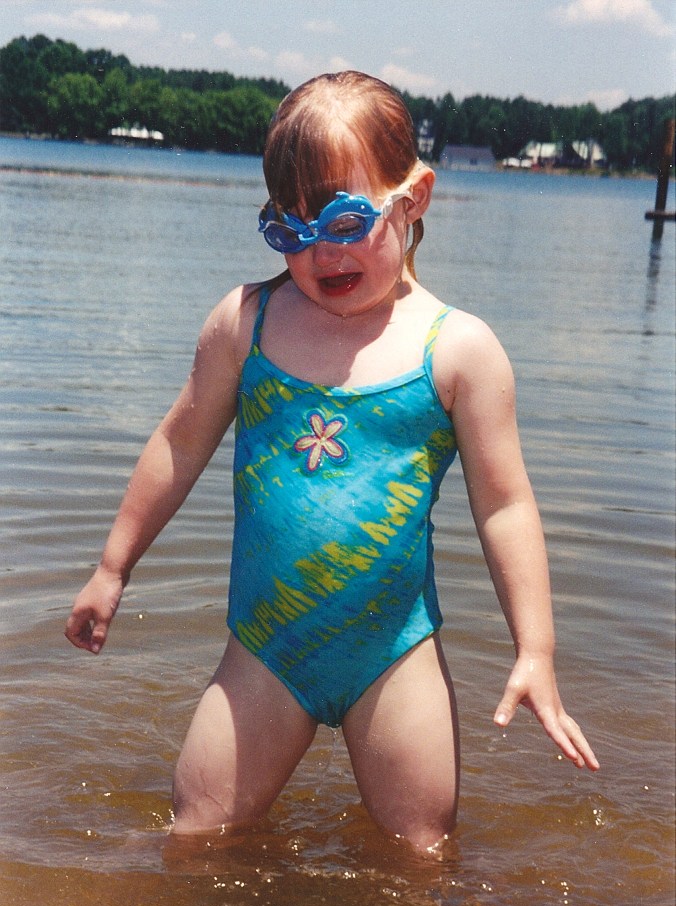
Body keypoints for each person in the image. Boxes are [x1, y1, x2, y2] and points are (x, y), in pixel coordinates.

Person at [65, 71, 599, 854]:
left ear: (413, 199)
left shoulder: (456, 350)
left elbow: (505, 505)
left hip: (393, 653)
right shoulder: (247, 324)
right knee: (195, 836)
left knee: (422, 853)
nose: (321, 252)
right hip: (265, 648)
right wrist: (113, 566)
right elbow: (178, 444)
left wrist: (536, 650)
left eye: (345, 221)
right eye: (290, 230)